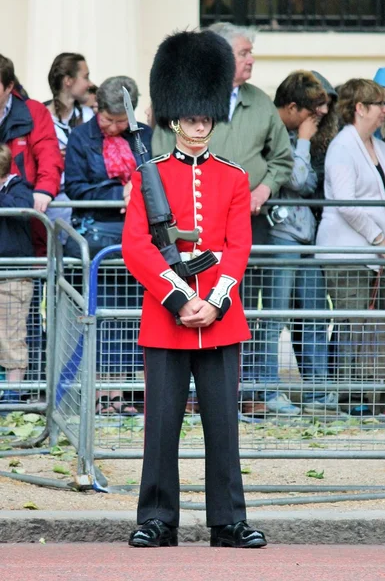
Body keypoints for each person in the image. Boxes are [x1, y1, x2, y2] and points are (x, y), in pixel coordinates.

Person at [123, 29, 267, 549]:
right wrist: (182, 298)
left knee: (223, 429)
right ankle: (157, 519)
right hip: (167, 318)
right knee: (160, 428)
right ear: (175, 119)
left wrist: (215, 299)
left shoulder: (232, 177)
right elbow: (136, 246)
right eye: (190, 117)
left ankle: (227, 521)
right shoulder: (149, 176)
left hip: (220, 317)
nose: (198, 125)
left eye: (205, 117)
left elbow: (237, 245)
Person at [151, 22, 293, 416]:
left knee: (265, 309)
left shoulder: (259, 103)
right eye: (244, 53)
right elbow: (163, 168)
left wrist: (262, 190)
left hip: (244, 227)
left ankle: (261, 389)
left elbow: (281, 158)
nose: (250, 60)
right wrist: (181, 297)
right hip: (179, 252)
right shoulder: (177, 122)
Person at [65, 75, 152, 416]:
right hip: (98, 235)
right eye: (108, 120)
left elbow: (158, 174)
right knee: (99, 317)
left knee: (129, 318)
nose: (115, 128)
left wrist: (139, 189)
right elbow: (75, 187)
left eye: (121, 121)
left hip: (136, 235)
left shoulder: (144, 135)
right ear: (96, 108)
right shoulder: (79, 138)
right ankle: (99, 395)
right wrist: (119, 193)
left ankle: (119, 395)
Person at [253, 70, 338, 415]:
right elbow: (300, 177)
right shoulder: (272, 132)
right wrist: (303, 141)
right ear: (291, 106)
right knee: (274, 318)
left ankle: (318, 393)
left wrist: (302, 155)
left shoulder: (295, 134)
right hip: (279, 234)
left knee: (317, 314)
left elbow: (309, 179)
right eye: (311, 112)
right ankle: (268, 391)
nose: (315, 120)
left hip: (306, 235)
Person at [316, 78, 385, 414]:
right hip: (347, 251)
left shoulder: (378, 145)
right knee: (353, 324)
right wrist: (378, 236)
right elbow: (346, 202)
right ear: (360, 108)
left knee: (373, 326)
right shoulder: (343, 146)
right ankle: (353, 397)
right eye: (379, 105)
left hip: (372, 254)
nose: (384, 112)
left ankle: (373, 395)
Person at [0, 54, 63, 255]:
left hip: (24, 212)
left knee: (25, 277)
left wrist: (44, 190)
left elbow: (49, 155)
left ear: (9, 87)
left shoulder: (34, 112)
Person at [0, 144, 34, 405]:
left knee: (12, 335)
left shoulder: (18, 188)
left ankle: (12, 394)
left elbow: (23, 210)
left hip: (12, 275)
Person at [45, 52, 93, 237]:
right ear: (68, 81)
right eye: (85, 77)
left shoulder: (90, 117)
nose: (89, 84)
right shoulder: (40, 117)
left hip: (83, 202)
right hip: (52, 203)